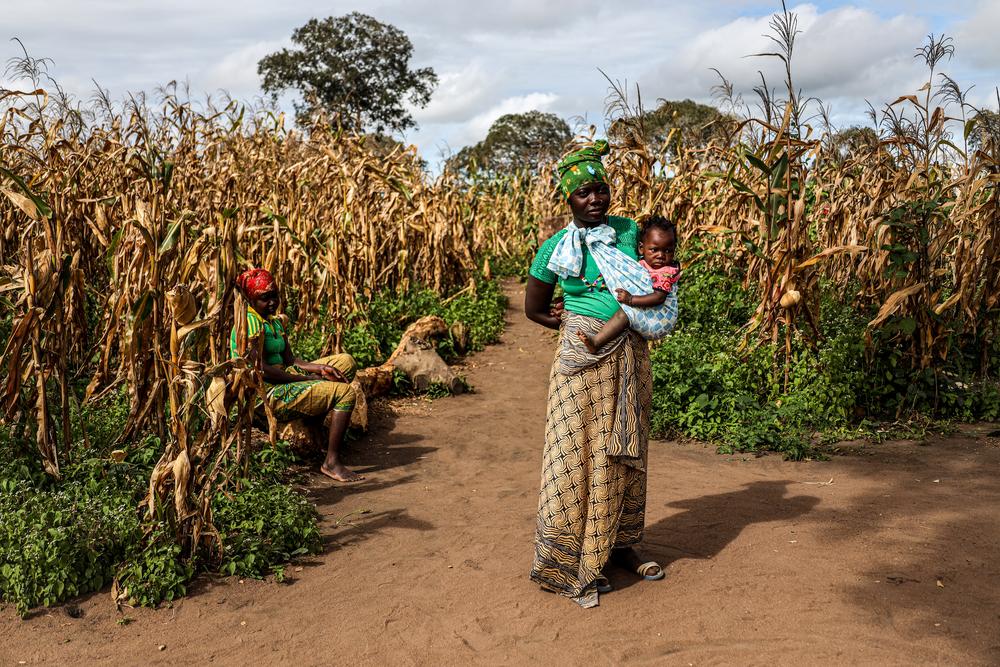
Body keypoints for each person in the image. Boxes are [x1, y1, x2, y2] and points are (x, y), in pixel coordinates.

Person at [524, 140, 676, 608]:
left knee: (624, 452)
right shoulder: (554, 247)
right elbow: (534, 309)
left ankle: (621, 547)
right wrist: (575, 324)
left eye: (600, 190)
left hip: (628, 353)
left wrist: (646, 308)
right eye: (583, 193)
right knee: (575, 454)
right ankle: (572, 558)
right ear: (567, 199)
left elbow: (663, 264)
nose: (594, 200)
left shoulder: (629, 232)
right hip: (579, 360)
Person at [231, 268, 362, 482]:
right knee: (345, 393)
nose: (272, 302)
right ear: (250, 299)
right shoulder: (249, 322)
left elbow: (291, 361)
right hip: (266, 394)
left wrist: (319, 369)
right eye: (265, 298)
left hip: (284, 376)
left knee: (345, 362)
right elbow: (261, 370)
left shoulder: (272, 320)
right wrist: (308, 379)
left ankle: (314, 426)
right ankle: (331, 462)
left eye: (275, 295)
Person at [577, 215, 680, 354]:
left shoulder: (665, 273)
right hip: (648, 313)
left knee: (624, 314)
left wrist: (631, 300)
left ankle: (597, 342)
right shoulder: (638, 264)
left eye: (668, 251)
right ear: (641, 248)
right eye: (654, 250)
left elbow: (659, 297)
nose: (661, 255)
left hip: (659, 319)